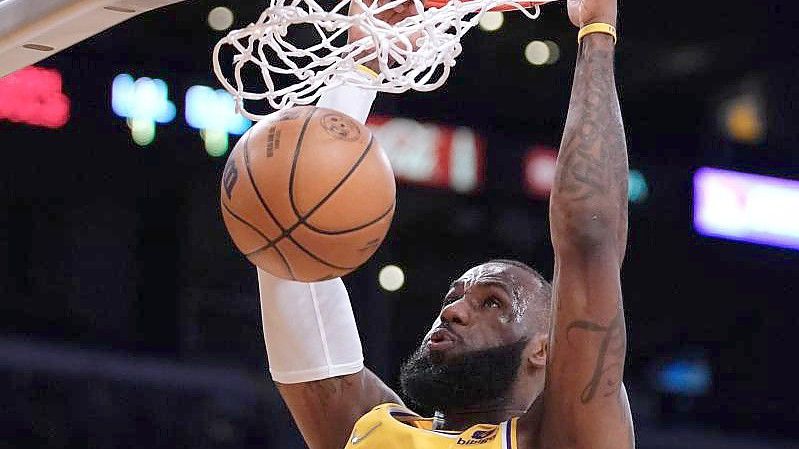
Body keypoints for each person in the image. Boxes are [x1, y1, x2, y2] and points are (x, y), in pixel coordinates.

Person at [255, 0, 634, 448]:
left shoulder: (565, 439)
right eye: (455, 297)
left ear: (545, 350)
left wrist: (596, 32)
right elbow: (288, 235)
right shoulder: (370, 430)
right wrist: (363, 65)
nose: (452, 311)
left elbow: (589, 236)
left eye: (493, 303)